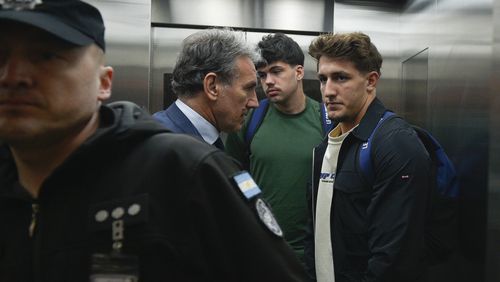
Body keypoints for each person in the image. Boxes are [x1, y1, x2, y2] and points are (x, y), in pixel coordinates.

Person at [0, 1, 308, 281]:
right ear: (212, 86)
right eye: (0, 55)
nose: (13, 76)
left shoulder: (182, 167)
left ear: (104, 82)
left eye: (46, 56)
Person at [304, 32, 432, 282]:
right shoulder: (326, 145)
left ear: (371, 81)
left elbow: (393, 258)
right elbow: (316, 231)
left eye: (341, 78)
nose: (328, 91)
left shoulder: (395, 143)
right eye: (322, 79)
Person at [225, 33, 328, 264]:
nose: (268, 81)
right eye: (262, 75)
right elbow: (230, 180)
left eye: (277, 71)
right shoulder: (250, 119)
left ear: (299, 72)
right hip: (262, 250)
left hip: (313, 254)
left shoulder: (326, 120)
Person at [152, 28, 260, 149]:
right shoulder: (171, 150)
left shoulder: (178, 137)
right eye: (248, 88)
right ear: (212, 86)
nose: (255, 103)